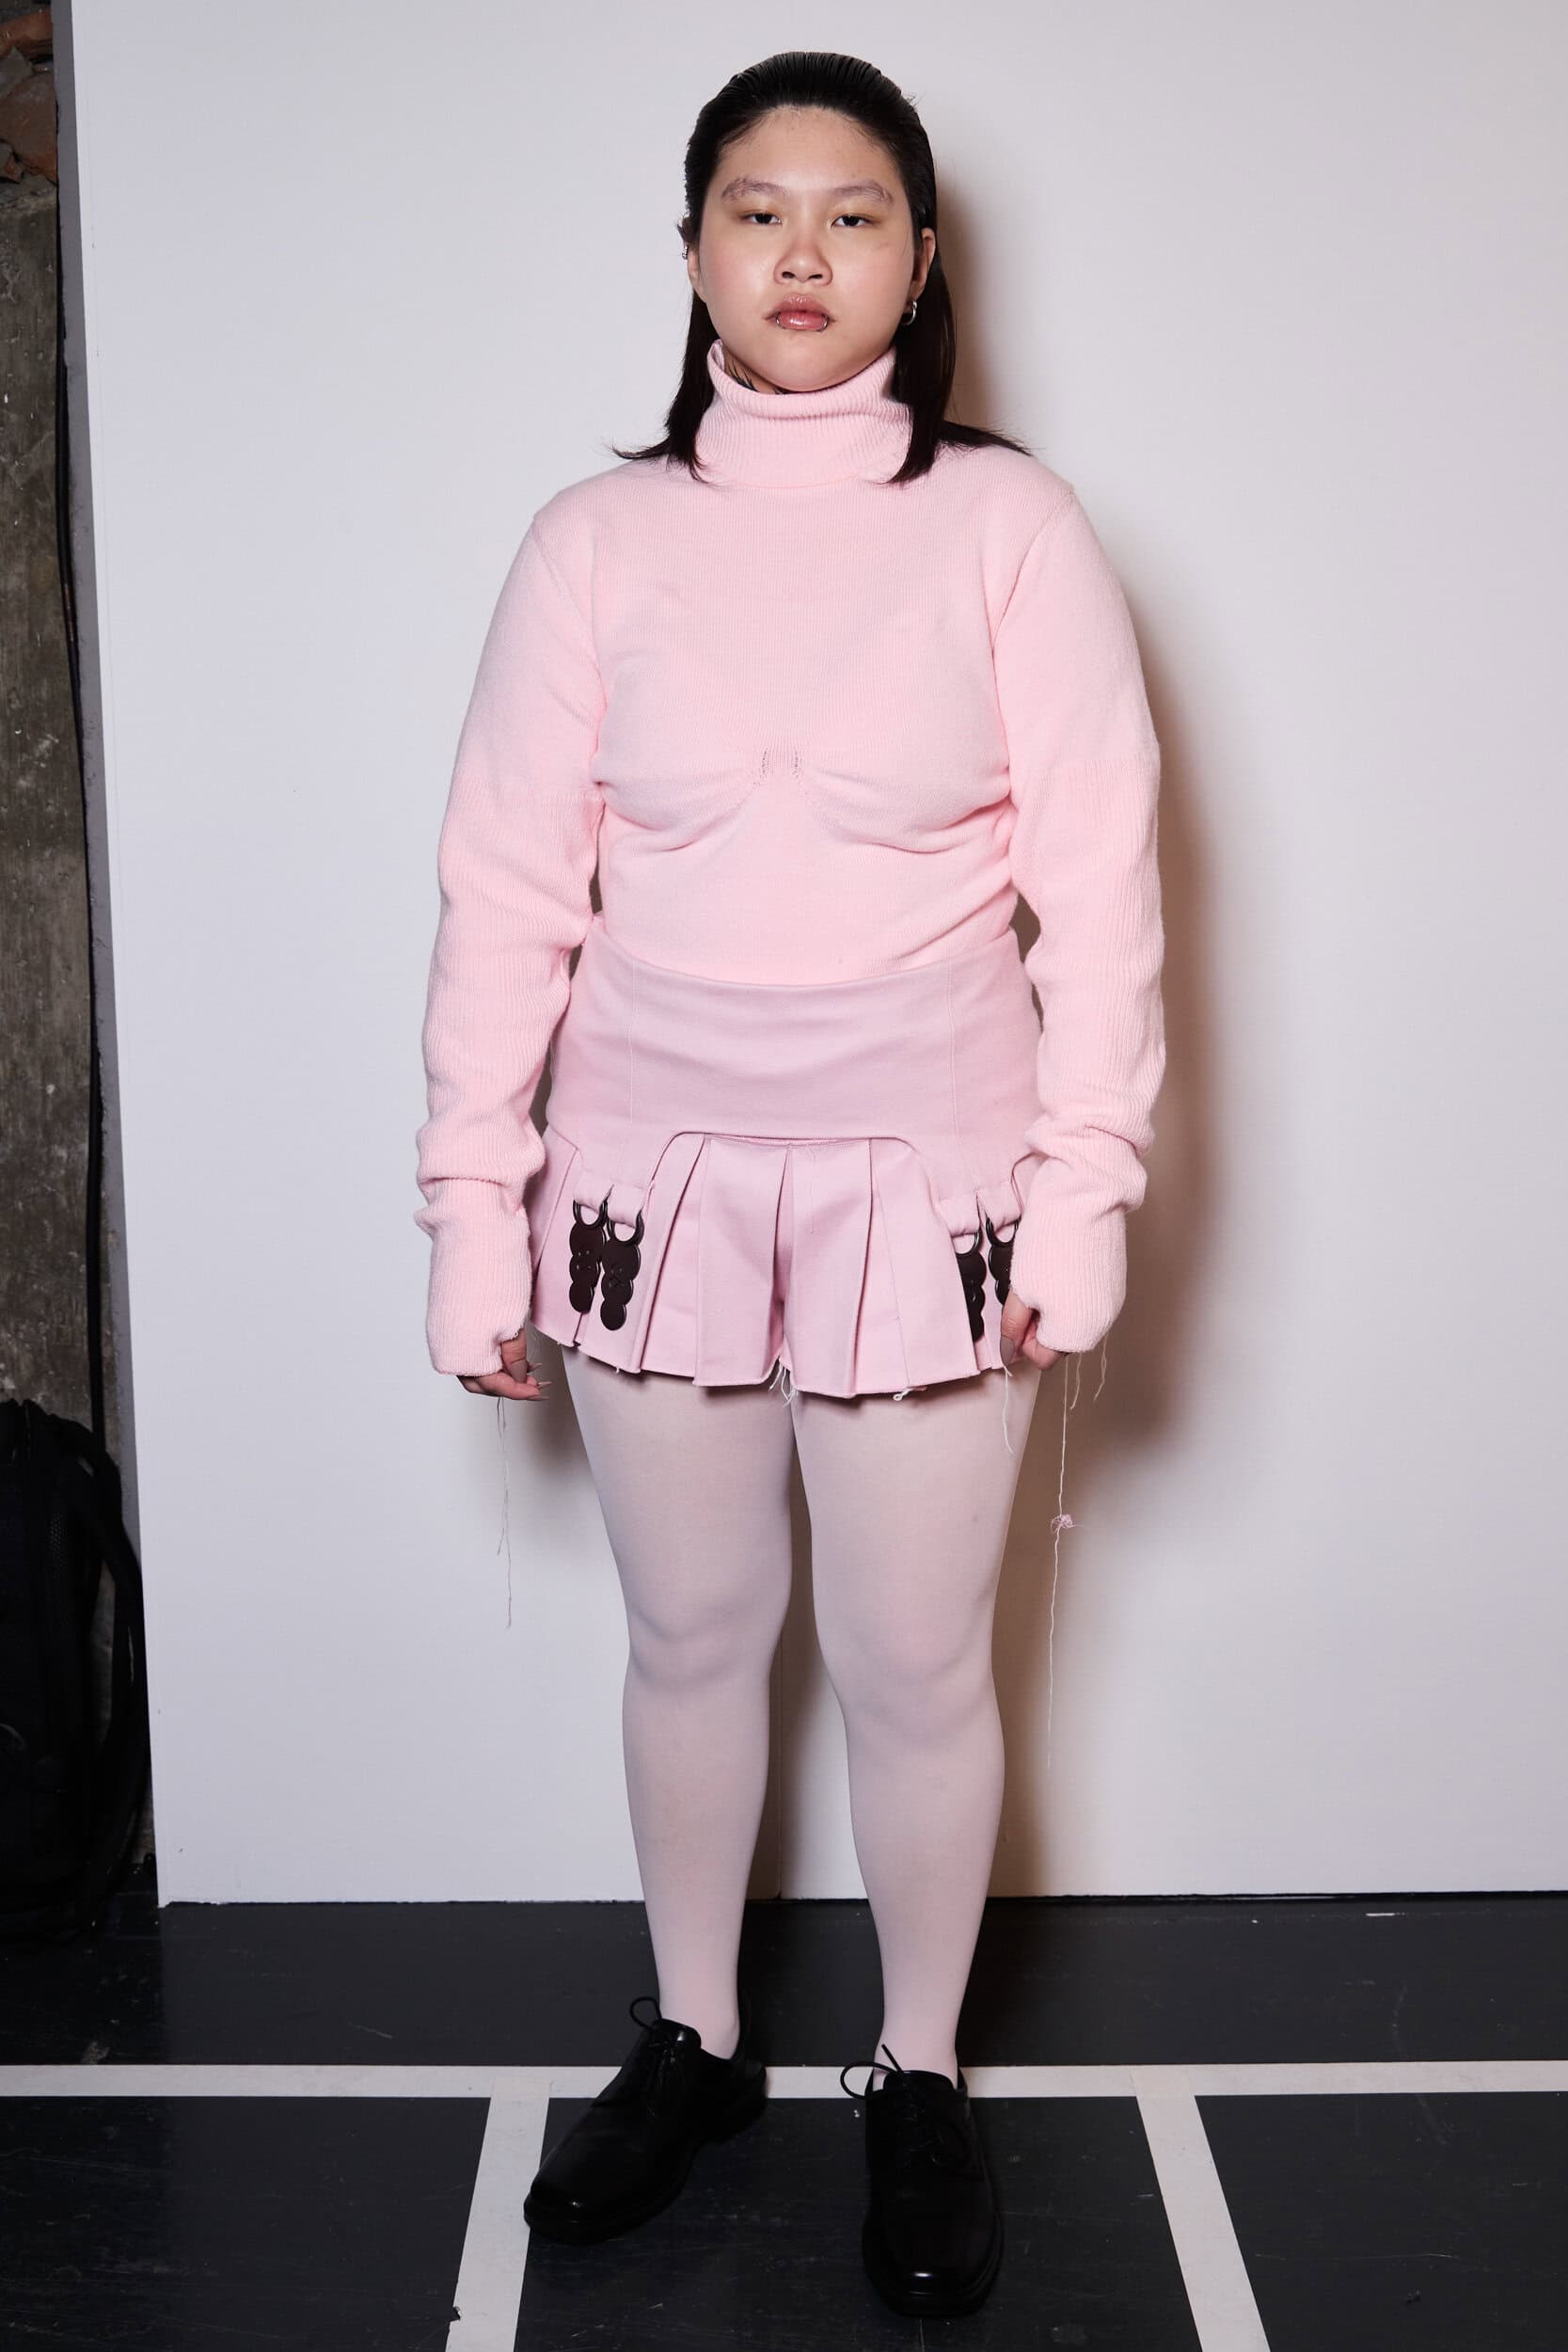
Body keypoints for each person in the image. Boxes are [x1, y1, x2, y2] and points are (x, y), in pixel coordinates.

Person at [413, 50, 1165, 2323]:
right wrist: (472, 1201)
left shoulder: (1012, 528)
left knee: (919, 1661)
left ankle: (918, 2069)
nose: (805, 253)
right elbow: (503, 896)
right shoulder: (594, 541)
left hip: (931, 1190)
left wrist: (1085, 1186)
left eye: (855, 214)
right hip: (648, 1184)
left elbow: (1104, 894)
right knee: (691, 1636)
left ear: (922, 261)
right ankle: (696, 2033)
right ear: (693, 255)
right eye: (758, 211)